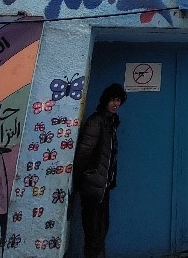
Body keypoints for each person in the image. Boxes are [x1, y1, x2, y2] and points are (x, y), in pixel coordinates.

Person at [74, 83, 127, 258]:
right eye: (112, 99)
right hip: (93, 186)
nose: (115, 103)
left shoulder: (110, 122)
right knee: (93, 230)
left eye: (118, 100)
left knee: (101, 228)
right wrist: (83, 179)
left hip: (103, 185)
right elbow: (84, 152)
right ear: (105, 100)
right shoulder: (97, 122)